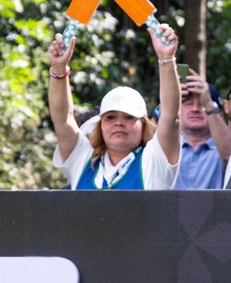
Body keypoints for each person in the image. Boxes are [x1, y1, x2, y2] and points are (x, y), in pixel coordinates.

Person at [47, 23, 181, 190]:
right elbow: (63, 120)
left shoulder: (153, 160)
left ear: (144, 124)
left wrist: (166, 59)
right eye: (110, 117)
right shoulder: (83, 161)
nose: (119, 122)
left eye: (129, 116)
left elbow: (170, 115)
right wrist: (58, 69)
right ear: (100, 125)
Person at [173, 73, 231, 189]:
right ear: (179, 110)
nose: (195, 109)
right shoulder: (169, 150)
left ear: (217, 113)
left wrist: (209, 104)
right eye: (188, 103)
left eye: (202, 104)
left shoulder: (223, 150)